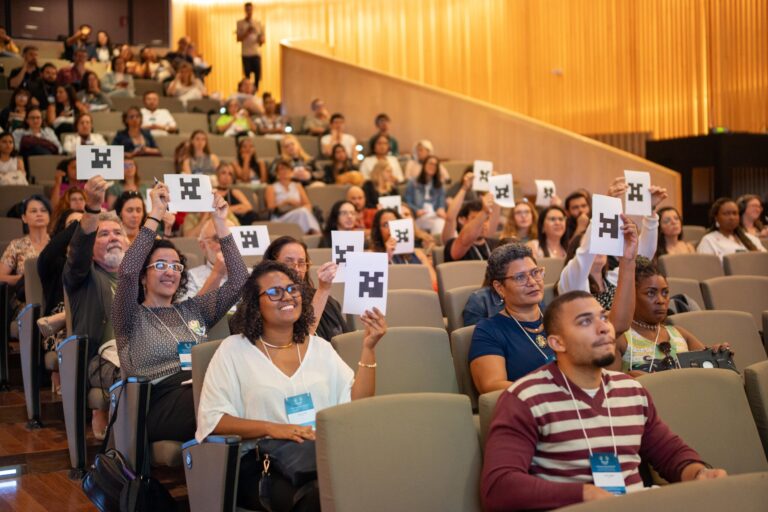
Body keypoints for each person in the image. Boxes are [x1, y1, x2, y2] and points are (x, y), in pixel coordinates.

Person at [480, 290, 727, 512]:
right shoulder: (525, 398)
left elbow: (670, 454)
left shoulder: (631, 390)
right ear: (557, 342)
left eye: (603, 318)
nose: (604, 328)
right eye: (585, 321)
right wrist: (585, 494)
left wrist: (698, 473)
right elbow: (499, 487)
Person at [195, 259, 386, 510]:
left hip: (323, 455)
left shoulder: (320, 348)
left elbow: (357, 404)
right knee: (321, 495)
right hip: (263, 465)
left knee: (373, 479)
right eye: (274, 292)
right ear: (255, 303)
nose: (287, 297)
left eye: (291, 289)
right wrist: (273, 428)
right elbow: (213, 421)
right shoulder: (233, 351)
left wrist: (368, 349)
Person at [112, 180, 248, 443]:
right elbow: (126, 271)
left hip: (201, 390)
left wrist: (220, 222)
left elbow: (239, 279)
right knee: (219, 398)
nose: (170, 271)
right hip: (156, 403)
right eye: (160, 264)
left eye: (176, 266)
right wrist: (155, 215)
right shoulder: (129, 315)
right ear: (143, 276)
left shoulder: (193, 309)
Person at [470, 220, 637, 395]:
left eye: (535, 273)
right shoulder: (489, 330)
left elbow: (619, 324)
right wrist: (554, 389)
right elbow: (490, 386)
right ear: (499, 287)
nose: (532, 282)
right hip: (533, 412)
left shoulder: (559, 317)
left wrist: (628, 261)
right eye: (520, 277)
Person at [64, 176, 129, 437]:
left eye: (118, 233)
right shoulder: (82, 275)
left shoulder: (137, 276)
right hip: (99, 359)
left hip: (139, 351)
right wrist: (92, 207)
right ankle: (126, 451)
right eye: (104, 234)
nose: (113, 237)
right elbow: (78, 251)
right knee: (134, 381)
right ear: (92, 246)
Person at [612, 257, 727, 375]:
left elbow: (711, 375)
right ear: (631, 296)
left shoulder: (680, 334)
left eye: (665, 292)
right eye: (651, 293)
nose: (661, 300)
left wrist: (718, 357)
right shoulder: (621, 338)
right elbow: (608, 386)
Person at [263, 236, 351, 341]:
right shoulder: (268, 303)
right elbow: (301, 341)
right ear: (272, 265)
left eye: (301, 263)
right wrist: (323, 290)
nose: (296, 269)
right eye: (289, 262)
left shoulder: (329, 302)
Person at [370, 208, 437, 288]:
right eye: (385, 225)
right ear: (378, 231)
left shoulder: (417, 253)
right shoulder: (372, 256)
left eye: (394, 223)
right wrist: (387, 256)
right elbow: (375, 288)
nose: (391, 228)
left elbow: (434, 283)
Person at [0, 195, 51, 288]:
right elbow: (1, 277)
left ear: (49, 216)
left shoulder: (57, 243)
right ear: (24, 218)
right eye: (33, 211)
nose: (39, 214)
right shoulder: (16, 245)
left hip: (54, 298)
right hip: (25, 298)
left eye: (43, 210)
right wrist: (23, 279)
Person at [183, 218, 237, 299]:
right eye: (217, 239)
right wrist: (217, 273)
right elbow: (188, 311)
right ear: (203, 246)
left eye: (231, 239)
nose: (226, 245)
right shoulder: (190, 277)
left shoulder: (252, 274)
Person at [697, 197, 765, 260]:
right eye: (726, 214)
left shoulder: (752, 239)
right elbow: (706, 268)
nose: (732, 217)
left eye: (735, 213)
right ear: (716, 218)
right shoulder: (709, 241)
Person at [265, 159, 321, 234]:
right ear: (277, 174)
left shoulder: (298, 186)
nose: (285, 171)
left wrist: (297, 205)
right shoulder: (271, 187)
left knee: (303, 212)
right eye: (281, 169)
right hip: (280, 217)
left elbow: (307, 204)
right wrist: (286, 202)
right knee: (302, 213)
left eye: (287, 169)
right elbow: (270, 207)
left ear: (291, 171)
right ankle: (316, 234)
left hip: (298, 213)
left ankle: (311, 235)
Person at [462, 244, 511, 328]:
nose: (531, 282)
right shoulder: (479, 301)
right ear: (498, 285)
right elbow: (478, 336)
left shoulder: (532, 296)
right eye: (520, 277)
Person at [442, 193, 501, 263]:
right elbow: (450, 219)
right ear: (463, 220)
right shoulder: (453, 245)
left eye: (486, 219)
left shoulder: (496, 244)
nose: (482, 223)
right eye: (476, 219)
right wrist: (484, 212)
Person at [405, 155, 447, 236]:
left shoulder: (439, 185)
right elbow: (407, 202)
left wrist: (441, 209)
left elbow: (441, 203)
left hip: (435, 216)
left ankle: (440, 244)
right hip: (419, 217)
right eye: (430, 163)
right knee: (439, 224)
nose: (432, 166)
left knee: (442, 222)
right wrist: (416, 210)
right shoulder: (413, 182)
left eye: (435, 165)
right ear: (424, 165)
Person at [236, 2, 265, 89]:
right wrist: (247, 32)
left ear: (252, 10)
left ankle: (255, 92)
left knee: (257, 76)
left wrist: (260, 38)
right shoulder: (240, 23)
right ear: (245, 10)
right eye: (247, 9)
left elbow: (262, 41)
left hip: (256, 53)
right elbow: (238, 39)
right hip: (246, 54)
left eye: (250, 9)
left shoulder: (258, 23)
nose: (249, 11)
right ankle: (247, 92)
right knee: (247, 77)